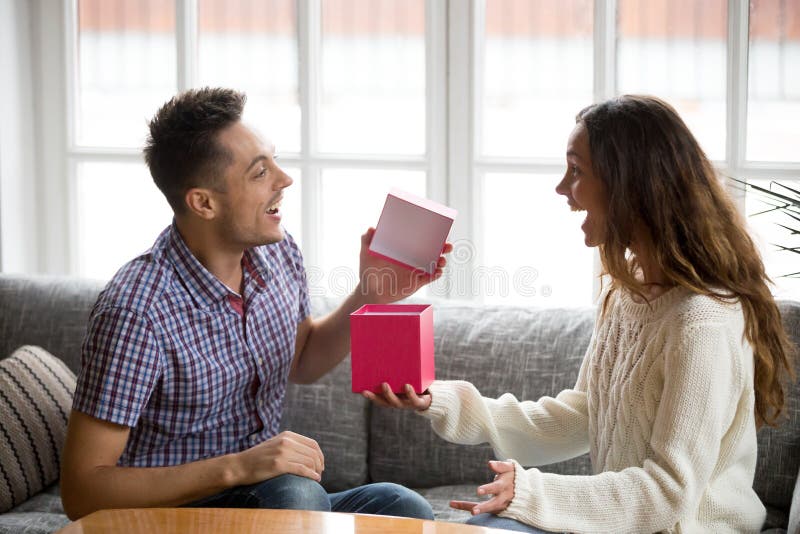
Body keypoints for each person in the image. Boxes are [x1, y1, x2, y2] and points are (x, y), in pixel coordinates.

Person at [364, 95, 795, 533]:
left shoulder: (702, 322)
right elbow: (580, 415)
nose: (561, 188)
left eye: (577, 171)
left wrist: (532, 493)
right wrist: (442, 400)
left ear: (630, 184)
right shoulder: (627, 297)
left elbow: (668, 492)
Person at [60, 87, 447, 521]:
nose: (285, 179)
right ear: (203, 202)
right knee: (298, 496)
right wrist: (240, 467)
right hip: (167, 514)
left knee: (401, 507)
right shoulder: (136, 311)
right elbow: (82, 490)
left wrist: (369, 293)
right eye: (260, 172)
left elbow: (304, 360)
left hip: (262, 500)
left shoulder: (277, 255)